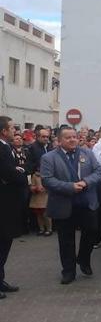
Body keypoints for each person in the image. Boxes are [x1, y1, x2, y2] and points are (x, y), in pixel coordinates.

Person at [41, 127, 101, 285]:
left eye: (74, 137)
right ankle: (68, 271)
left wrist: (86, 182)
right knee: (66, 240)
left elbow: (98, 172)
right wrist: (69, 187)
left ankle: (83, 258)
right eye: (68, 138)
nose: (72, 140)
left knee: (91, 232)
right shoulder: (49, 158)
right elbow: (47, 180)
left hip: (87, 203)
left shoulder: (87, 153)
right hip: (64, 204)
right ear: (60, 140)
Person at [0, 116, 29, 299]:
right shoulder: (1, 148)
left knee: (5, 243)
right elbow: (8, 173)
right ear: (4, 131)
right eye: (12, 128)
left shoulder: (6, 146)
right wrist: (22, 176)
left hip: (9, 203)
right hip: (4, 203)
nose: (15, 131)